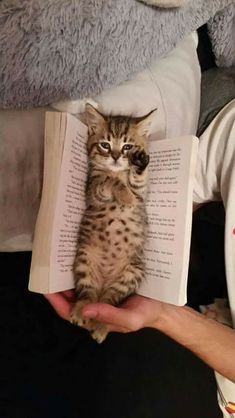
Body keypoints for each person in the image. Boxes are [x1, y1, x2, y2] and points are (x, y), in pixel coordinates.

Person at [45, 100, 235, 417]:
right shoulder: (100, 175)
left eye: (126, 149)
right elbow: (104, 190)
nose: (117, 156)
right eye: (107, 146)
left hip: (130, 259)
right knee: (87, 272)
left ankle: (98, 311)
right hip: (102, 243)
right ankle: (93, 302)